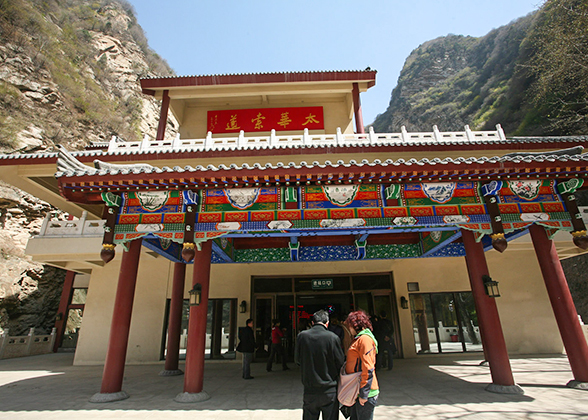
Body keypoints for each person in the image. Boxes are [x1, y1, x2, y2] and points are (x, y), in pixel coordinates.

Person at [295, 309, 345, 420]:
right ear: (327, 323)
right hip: (329, 389)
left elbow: (297, 360)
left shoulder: (302, 336)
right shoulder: (333, 338)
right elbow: (340, 362)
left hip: (310, 388)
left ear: (312, 322)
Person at [345, 310, 379, 420]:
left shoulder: (365, 340)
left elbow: (368, 367)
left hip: (365, 392)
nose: (349, 329)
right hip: (358, 390)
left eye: (349, 325)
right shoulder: (359, 339)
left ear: (355, 325)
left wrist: (364, 393)